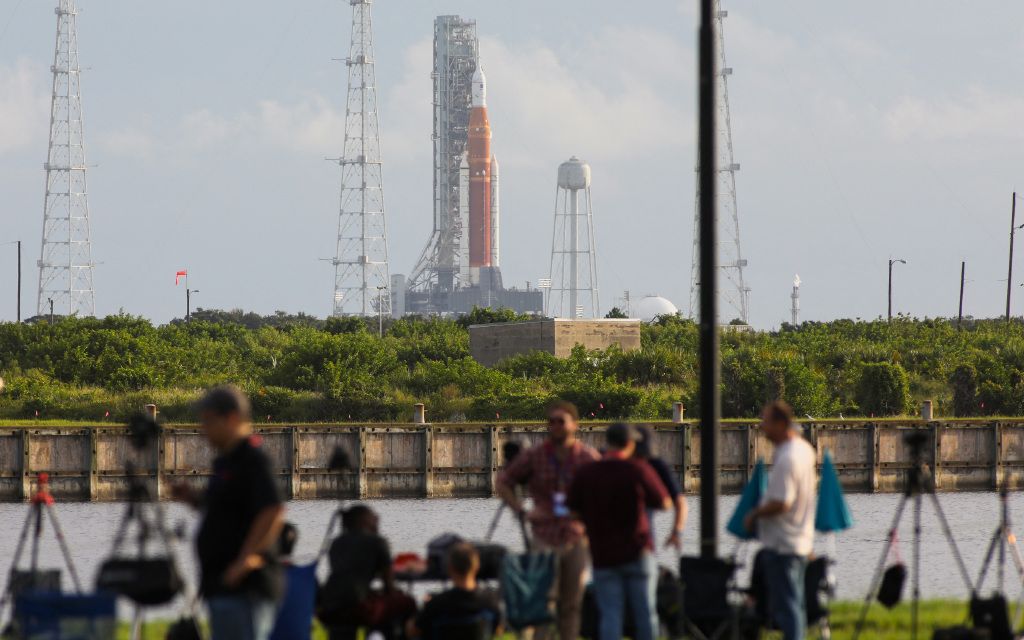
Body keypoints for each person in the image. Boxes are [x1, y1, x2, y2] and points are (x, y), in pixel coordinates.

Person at [172, 385, 286, 640]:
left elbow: (272, 510)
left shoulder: (253, 459)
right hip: (221, 585)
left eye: (209, 422)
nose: (205, 430)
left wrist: (244, 561)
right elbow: (227, 509)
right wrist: (193, 498)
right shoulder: (226, 462)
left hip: (245, 588)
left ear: (232, 418)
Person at [497, 400, 599, 640]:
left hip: (576, 536)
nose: (555, 426)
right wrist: (520, 510)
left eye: (560, 422)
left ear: (574, 425)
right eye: (551, 422)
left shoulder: (587, 458)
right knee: (544, 601)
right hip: (544, 536)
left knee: (572, 602)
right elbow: (503, 482)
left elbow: (604, 493)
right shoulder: (535, 455)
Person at [568, 423, 670, 640]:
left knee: (610, 614)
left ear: (608, 441)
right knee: (645, 613)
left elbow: (572, 511)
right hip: (638, 551)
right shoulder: (639, 469)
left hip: (603, 555)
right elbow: (665, 502)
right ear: (631, 444)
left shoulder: (588, 472)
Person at [743, 400, 817, 640]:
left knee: (787, 609)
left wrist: (755, 514)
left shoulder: (787, 458)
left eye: (766, 422)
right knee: (795, 604)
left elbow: (782, 501)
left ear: (781, 423)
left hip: (783, 544)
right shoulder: (804, 450)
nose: (762, 427)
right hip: (799, 540)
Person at [320, 504, 416, 640]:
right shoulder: (377, 542)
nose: (377, 519)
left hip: (327, 606)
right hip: (356, 608)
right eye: (373, 517)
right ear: (363, 520)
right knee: (407, 602)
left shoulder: (337, 542)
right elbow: (389, 587)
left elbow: (348, 579)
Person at [633, 425, 687, 634]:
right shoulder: (654, 465)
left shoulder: (617, 464)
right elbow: (676, 502)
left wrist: (677, 531)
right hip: (643, 544)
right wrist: (677, 531)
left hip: (616, 548)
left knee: (612, 607)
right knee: (645, 605)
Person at [407, 543, 502, 640]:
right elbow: (498, 630)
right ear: (476, 566)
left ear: (449, 568)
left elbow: (412, 631)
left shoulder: (437, 604)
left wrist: (423, 608)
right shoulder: (491, 600)